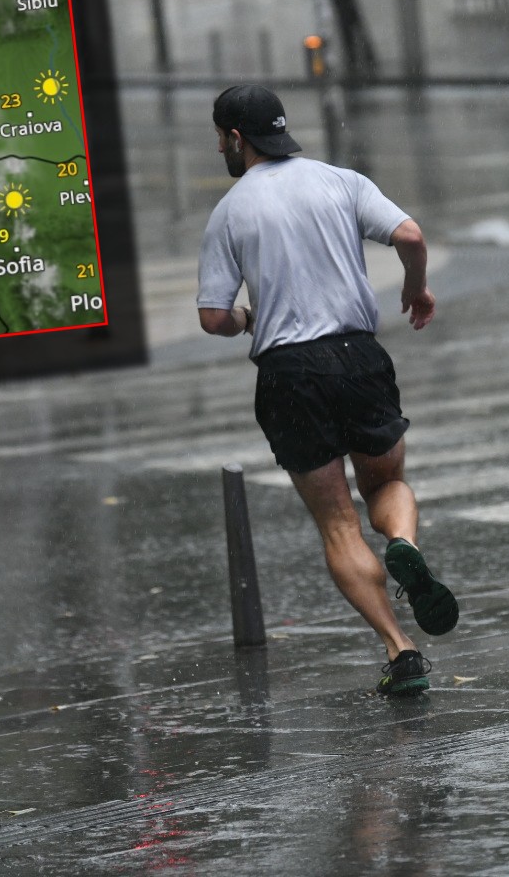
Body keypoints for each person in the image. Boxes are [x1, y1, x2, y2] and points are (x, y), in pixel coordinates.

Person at [196, 84, 457, 697]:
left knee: (338, 524)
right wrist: (416, 290)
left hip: (290, 374)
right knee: (386, 484)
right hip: (358, 355)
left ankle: (401, 650)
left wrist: (247, 319)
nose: (220, 148)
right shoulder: (340, 181)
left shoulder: (231, 211)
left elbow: (213, 317)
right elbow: (412, 237)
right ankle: (402, 543)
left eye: (220, 138)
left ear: (237, 138)